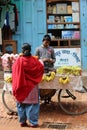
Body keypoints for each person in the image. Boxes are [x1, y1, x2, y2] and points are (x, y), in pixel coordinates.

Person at [12, 43, 44, 127]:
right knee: (32, 105)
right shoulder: (34, 61)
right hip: (31, 87)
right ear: (30, 50)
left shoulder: (18, 61)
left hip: (21, 86)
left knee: (21, 104)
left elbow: (14, 70)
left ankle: (22, 122)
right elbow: (41, 68)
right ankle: (33, 123)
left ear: (22, 50)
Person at [35, 34, 56, 103]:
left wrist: (51, 60)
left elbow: (54, 59)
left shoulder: (51, 49)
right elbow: (35, 60)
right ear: (43, 41)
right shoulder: (38, 49)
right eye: (46, 42)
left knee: (51, 84)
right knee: (42, 84)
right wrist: (42, 60)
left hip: (50, 68)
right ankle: (41, 96)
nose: (47, 44)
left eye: (48, 42)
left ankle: (49, 97)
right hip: (41, 69)